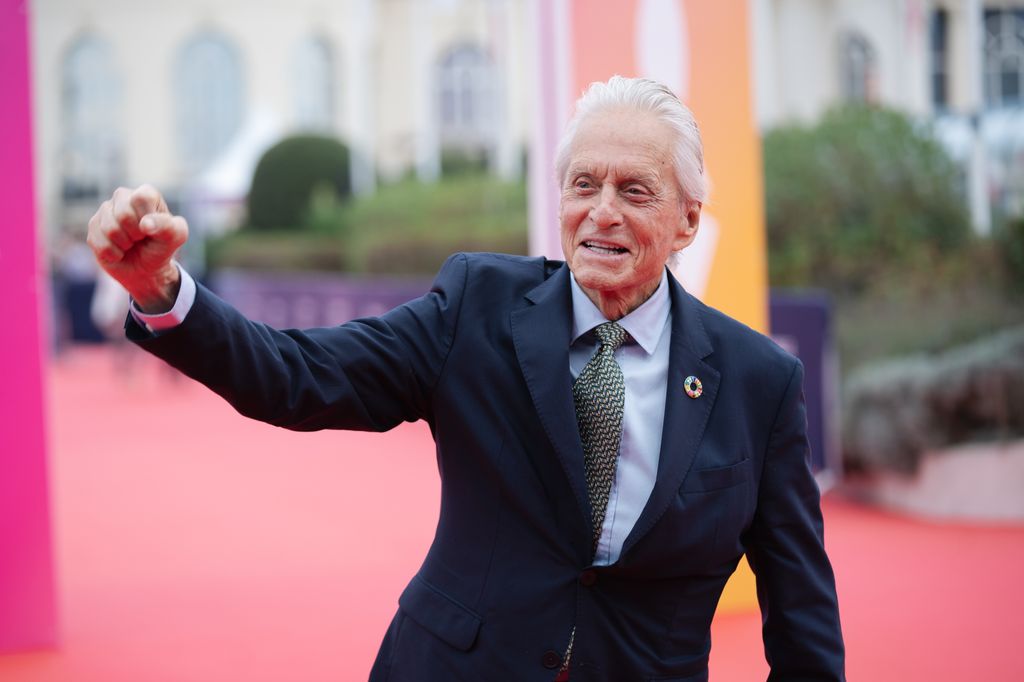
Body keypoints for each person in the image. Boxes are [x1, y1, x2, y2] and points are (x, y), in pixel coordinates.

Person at [87, 76, 845, 681]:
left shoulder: (757, 380)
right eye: (583, 185)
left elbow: (802, 611)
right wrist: (163, 291)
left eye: (634, 191)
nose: (601, 213)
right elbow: (298, 376)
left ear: (687, 221)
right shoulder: (477, 307)